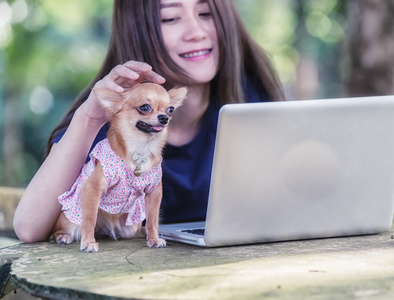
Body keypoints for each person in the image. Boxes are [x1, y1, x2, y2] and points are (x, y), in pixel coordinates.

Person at [13, 0, 285, 243]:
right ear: (136, 29)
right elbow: (28, 228)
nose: (197, 32)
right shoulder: (108, 119)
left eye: (205, 12)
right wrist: (90, 117)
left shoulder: (251, 98)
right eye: (171, 18)